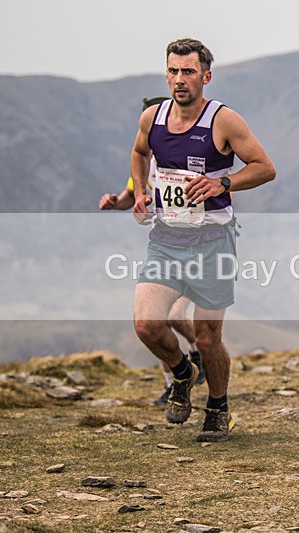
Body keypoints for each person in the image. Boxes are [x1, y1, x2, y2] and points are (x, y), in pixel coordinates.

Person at [131, 38, 275, 442]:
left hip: (213, 241)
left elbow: (265, 168)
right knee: (146, 325)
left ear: (205, 77)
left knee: (208, 336)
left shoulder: (223, 121)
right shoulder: (152, 118)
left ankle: (218, 407)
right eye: (173, 71)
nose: (180, 80)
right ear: (166, 74)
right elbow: (139, 153)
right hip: (166, 239)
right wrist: (141, 190)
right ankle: (181, 372)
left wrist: (221, 182)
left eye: (189, 72)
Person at [99, 96, 205, 406]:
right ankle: (175, 381)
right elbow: (129, 197)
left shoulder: (193, 158)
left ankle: (201, 355)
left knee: (173, 315)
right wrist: (114, 204)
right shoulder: (144, 167)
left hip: (201, 251)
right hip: (165, 249)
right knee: (156, 320)